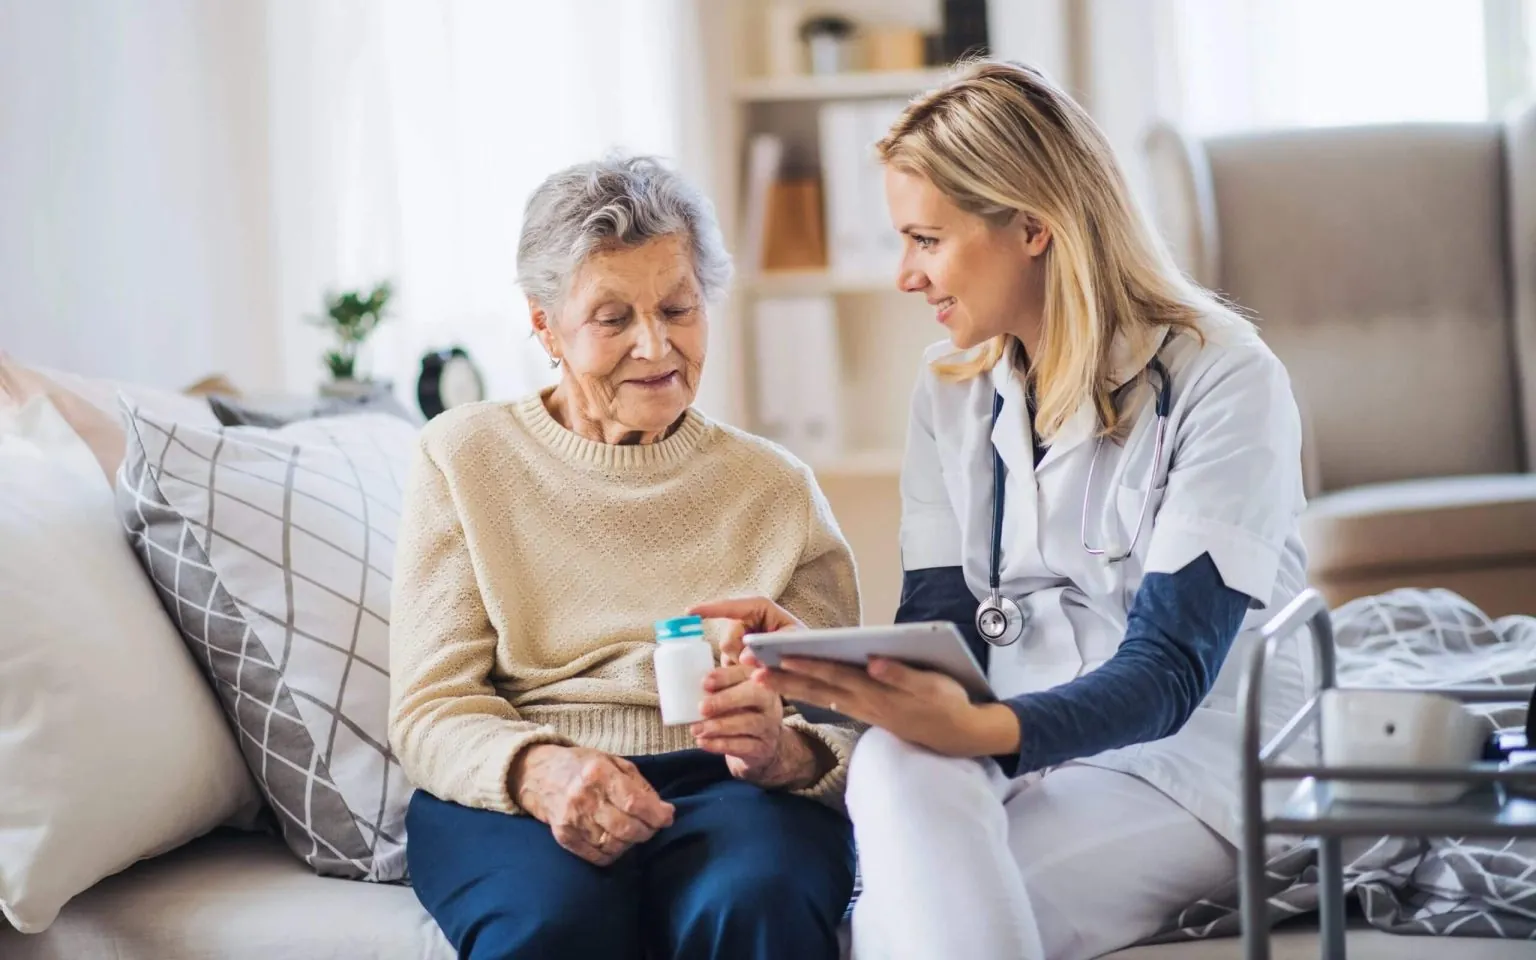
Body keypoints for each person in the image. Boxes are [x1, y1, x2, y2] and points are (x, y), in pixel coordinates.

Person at [690, 59, 1310, 960]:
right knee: (898, 762)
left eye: (926, 239)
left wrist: (978, 730)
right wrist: (837, 669)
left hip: (1189, 764)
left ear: (1031, 227)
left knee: (904, 927)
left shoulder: (1225, 378)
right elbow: (945, 629)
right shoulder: (949, 392)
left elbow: (1171, 671)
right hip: (1023, 747)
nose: (906, 275)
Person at [389, 155, 859, 960]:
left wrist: (785, 749)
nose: (657, 344)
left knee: (756, 906)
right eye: (613, 319)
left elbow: (844, 722)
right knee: (550, 927)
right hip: (525, 778)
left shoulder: (775, 488)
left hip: (729, 783)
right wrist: (541, 771)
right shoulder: (463, 457)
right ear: (544, 325)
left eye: (679, 307)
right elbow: (432, 708)